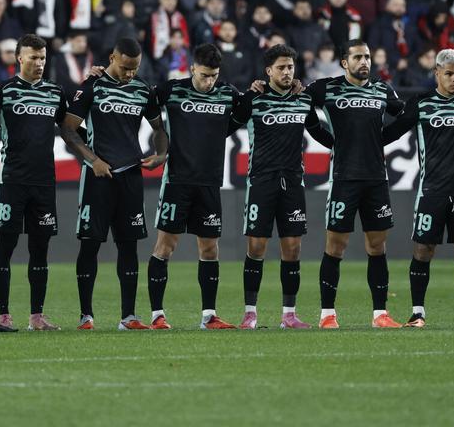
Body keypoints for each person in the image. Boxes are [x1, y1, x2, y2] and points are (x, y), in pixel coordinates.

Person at [380, 48, 454, 327]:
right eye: (449, 74)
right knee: (424, 250)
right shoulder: (421, 103)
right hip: (432, 190)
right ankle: (417, 313)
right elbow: (390, 133)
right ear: (437, 74)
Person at [60, 37, 168, 330]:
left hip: (131, 175)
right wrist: (92, 160)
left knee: (129, 246)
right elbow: (68, 130)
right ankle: (86, 316)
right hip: (98, 177)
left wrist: (161, 154)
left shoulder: (142, 90)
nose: (130, 73)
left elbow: (159, 128)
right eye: (125, 67)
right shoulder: (92, 86)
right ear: (112, 57)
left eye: (135, 68)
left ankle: (129, 317)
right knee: (90, 245)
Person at [306, 39, 406, 329]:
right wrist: (325, 138)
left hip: (376, 179)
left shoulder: (382, 89)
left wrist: (383, 139)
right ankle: (327, 314)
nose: (364, 61)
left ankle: (380, 315)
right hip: (343, 178)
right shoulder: (326, 88)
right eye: (358, 57)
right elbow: (303, 106)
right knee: (335, 246)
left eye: (367, 56)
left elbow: (404, 116)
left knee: (377, 246)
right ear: (344, 62)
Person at [146, 43, 244, 330]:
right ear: (192, 69)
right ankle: (157, 315)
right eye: (203, 75)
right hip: (177, 180)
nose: (209, 81)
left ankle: (208, 316)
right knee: (165, 247)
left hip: (210, 183)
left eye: (213, 75)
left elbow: (250, 106)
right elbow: (143, 100)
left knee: (210, 249)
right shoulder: (172, 90)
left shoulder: (228, 94)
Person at [233, 44, 332, 330]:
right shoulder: (254, 100)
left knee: (292, 248)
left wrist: (346, 146)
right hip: (261, 181)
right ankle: (250, 313)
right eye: (281, 68)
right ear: (268, 71)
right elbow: (227, 126)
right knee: (257, 246)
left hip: (292, 182)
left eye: (290, 67)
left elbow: (319, 133)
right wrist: (249, 93)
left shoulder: (302, 100)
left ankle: (289, 314)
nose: (287, 72)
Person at [0, 34, 68, 331]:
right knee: (5, 246)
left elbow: (70, 127)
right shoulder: (1, 91)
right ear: (19, 58)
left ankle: (36, 316)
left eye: (43, 57)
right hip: (11, 180)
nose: (39, 63)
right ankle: (3, 315)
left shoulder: (56, 92)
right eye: (33, 57)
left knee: (40, 249)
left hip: (44, 182)